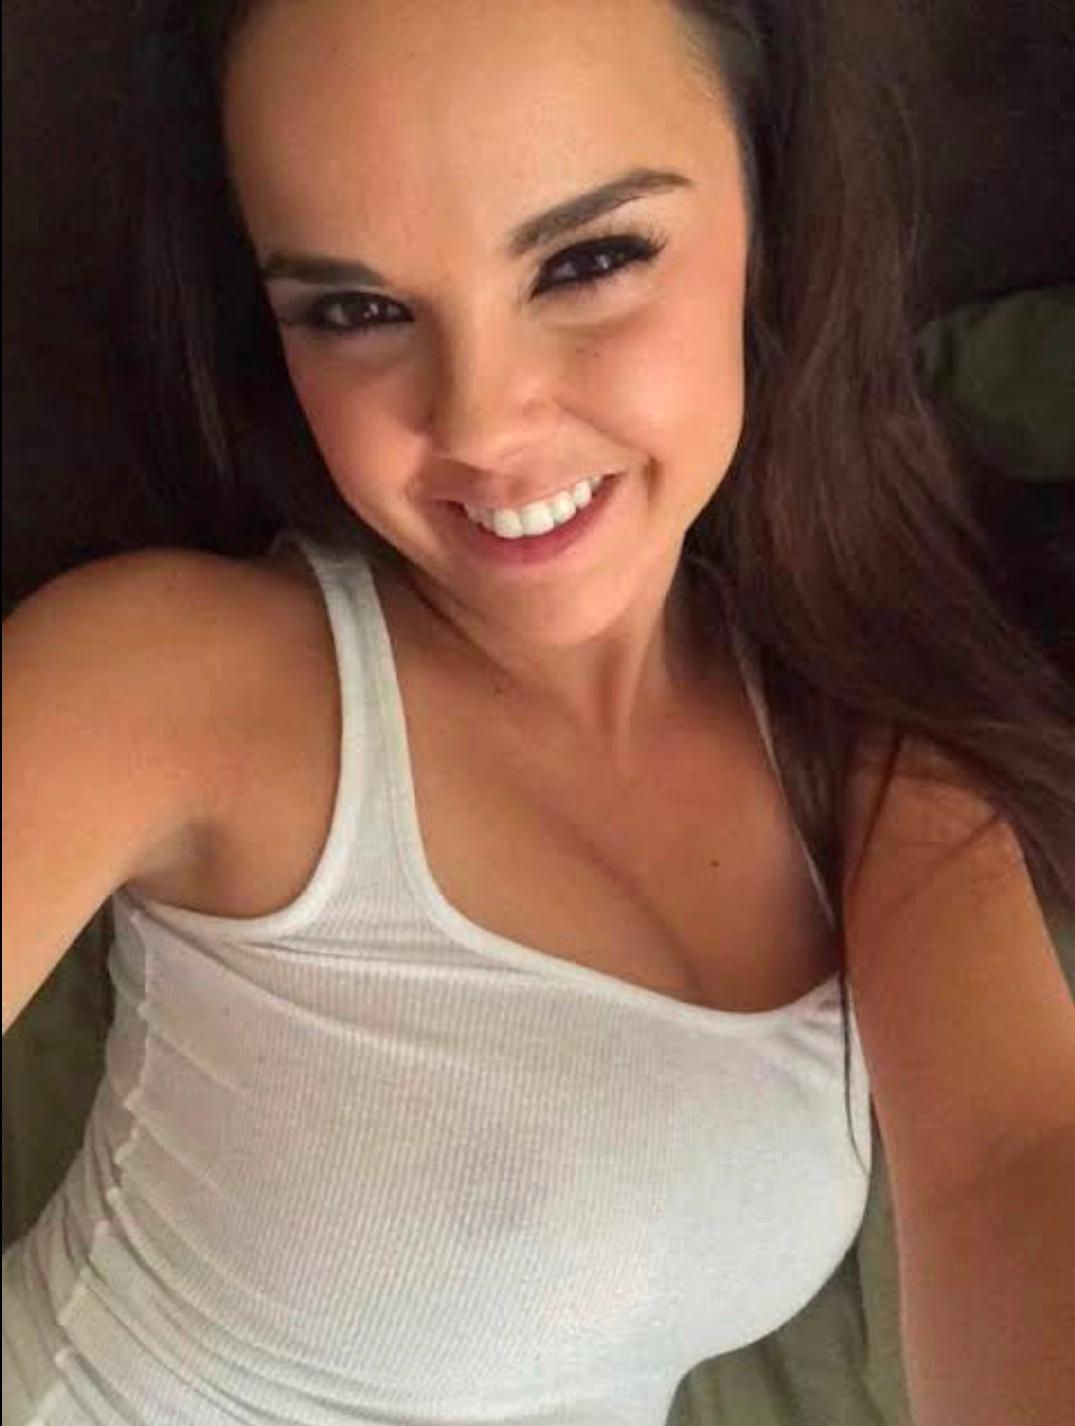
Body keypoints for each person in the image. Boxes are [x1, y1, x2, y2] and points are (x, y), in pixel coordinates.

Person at [3, 1, 1073, 1423]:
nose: (482, 424)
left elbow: (1013, 1162)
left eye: (589, 260)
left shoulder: (872, 752)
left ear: (772, 208)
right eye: (357, 310)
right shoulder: (167, 676)